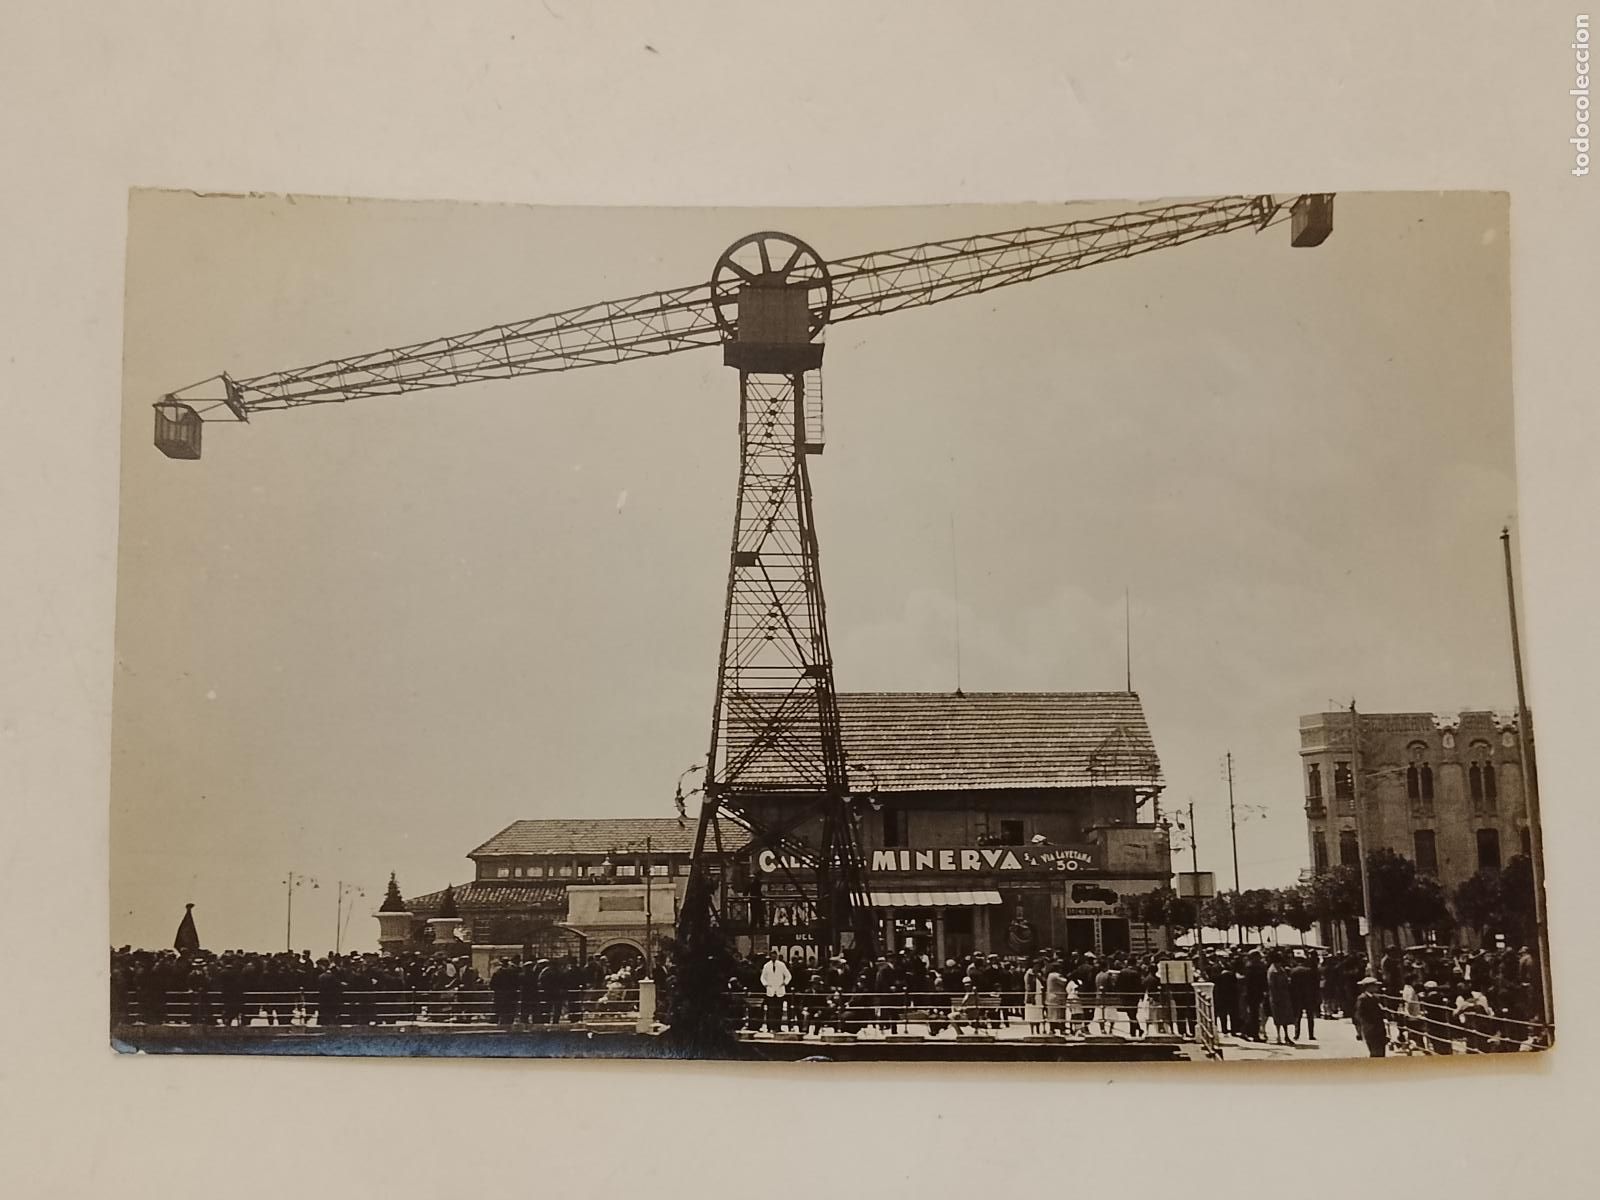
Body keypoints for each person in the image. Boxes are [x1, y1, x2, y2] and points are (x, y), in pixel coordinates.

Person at [1354, 975, 1388, 1057]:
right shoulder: (1362, 999)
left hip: (1379, 1029)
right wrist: (1368, 1025)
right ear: (1368, 987)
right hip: (1371, 1029)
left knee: (1381, 1052)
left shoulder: (1375, 998)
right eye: (1374, 985)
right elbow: (1360, 1014)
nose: (1376, 987)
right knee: (1375, 1052)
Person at [759, 949, 791, 1033]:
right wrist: (765, 984)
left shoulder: (781, 965)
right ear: (770, 956)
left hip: (780, 990)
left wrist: (785, 983)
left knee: (779, 1010)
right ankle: (770, 1027)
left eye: (775, 955)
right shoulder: (766, 966)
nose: (773, 956)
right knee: (770, 1010)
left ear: (776, 956)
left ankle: (778, 1027)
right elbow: (762, 977)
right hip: (770, 991)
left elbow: (788, 976)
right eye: (772, 955)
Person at [1267, 954, 1296, 1045]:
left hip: (1284, 996)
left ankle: (1286, 1036)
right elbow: (1272, 986)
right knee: (1278, 1018)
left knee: (1285, 1018)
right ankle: (1278, 1036)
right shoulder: (1272, 971)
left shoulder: (1281, 970)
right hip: (1276, 997)